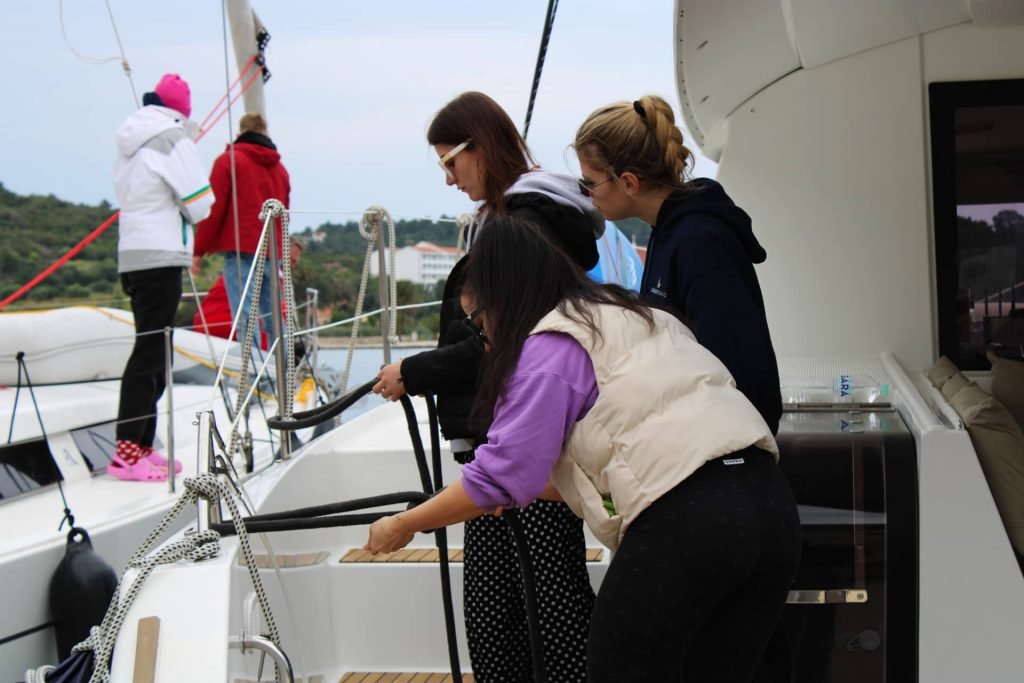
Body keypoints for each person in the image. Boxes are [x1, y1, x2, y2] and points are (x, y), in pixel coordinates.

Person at [365, 217, 801, 682]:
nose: (485, 342)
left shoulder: (549, 347)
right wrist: (515, 490)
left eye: (478, 323)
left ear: (503, 300)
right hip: (771, 509)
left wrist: (402, 524)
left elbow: (498, 476)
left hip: (689, 523)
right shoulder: (636, 314)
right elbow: (613, 459)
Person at [373, 91, 602, 683]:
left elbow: (507, 337)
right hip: (506, 444)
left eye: (451, 162)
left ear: (482, 146)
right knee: (514, 610)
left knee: (537, 611)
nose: (449, 179)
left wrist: (416, 372)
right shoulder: (522, 220)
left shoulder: (521, 225)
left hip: (523, 446)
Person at [573, 95, 783, 435]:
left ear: (629, 182)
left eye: (590, 183)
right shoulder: (667, 231)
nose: (588, 194)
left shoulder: (701, 242)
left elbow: (737, 367)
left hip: (724, 443)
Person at [111, 73, 214, 481]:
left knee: (153, 349)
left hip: (133, 255)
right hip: (162, 255)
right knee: (152, 352)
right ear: (182, 110)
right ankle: (127, 451)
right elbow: (201, 203)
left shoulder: (131, 139)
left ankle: (140, 445)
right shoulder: (172, 138)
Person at [193, 112, 291, 351]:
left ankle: (252, 367)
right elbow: (284, 213)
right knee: (274, 318)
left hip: (242, 250)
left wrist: (198, 250)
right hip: (273, 252)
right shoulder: (280, 170)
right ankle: (284, 364)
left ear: (240, 133)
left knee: (245, 316)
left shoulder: (228, 162)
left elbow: (214, 209)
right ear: (265, 133)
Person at [193, 236, 305, 348]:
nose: (291, 265)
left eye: (294, 262)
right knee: (278, 313)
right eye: (290, 260)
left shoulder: (246, 269)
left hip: (208, 322)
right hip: (222, 322)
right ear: (279, 254)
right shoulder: (263, 272)